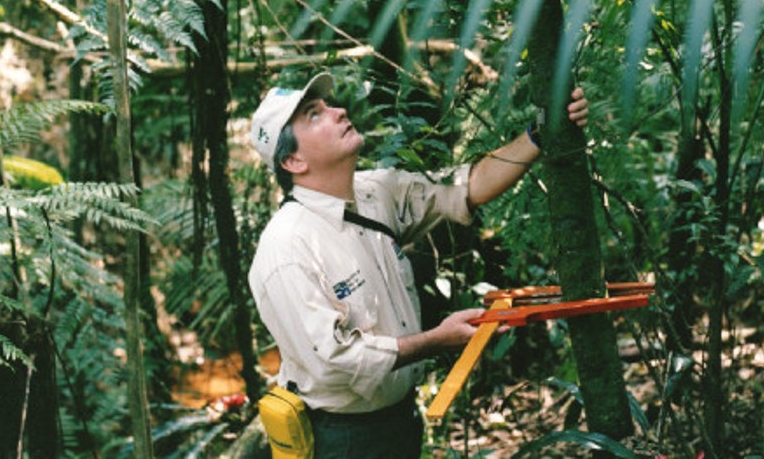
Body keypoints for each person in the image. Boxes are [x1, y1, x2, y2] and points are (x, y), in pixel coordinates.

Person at [248, 71, 588, 458]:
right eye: (314, 114)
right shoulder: (287, 248)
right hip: (343, 439)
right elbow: (334, 362)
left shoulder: (376, 192)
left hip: (401, 420)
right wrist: (435, 341)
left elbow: (467, 187)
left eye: (329, 105)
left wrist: (540, 135)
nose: (339, 112)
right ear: (293, 159)